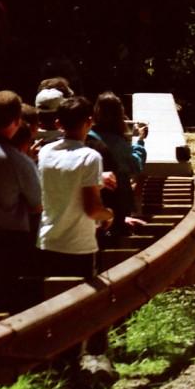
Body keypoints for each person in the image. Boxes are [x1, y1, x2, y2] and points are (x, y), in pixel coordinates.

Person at [37, 96, 113, 281]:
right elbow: (92, 209)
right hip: (77, 246)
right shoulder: (90, 157)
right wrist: (109, 215)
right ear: (89, 121)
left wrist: (98, 181)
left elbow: (63, 179)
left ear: (58, 123)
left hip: (47, 241)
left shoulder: (45, 152)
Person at [0, 91, 42, 312]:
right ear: (17, 121)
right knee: (0, 306)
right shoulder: (19, 162)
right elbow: (37, 205)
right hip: (6, 245)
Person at [88, 92, 147, 237]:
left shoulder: (88, 137)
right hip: (115, 203)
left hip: (92, 200)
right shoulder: (119, 143)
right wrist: (140, 141)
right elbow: (135, 166)